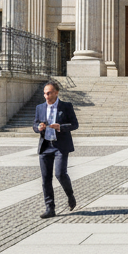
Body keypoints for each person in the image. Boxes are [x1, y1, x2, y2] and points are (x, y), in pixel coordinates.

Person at [34, 80, 79, 218]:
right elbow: (35, 124)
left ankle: (70, 195)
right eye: (44, 93)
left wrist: (61, 127)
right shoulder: (40, 107)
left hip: (60, 146)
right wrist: (38, 128)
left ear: (56, 92)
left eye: (49, 93)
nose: (46, 96)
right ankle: (50, 208)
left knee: (60, 174)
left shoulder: (66, 106)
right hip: (46, 145)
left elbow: (75, 124)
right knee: (46, 178)